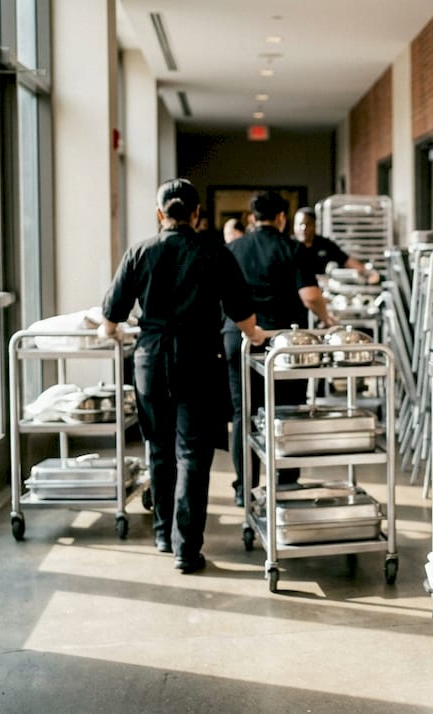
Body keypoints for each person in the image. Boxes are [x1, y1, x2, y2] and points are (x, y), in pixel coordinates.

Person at [100, 178, 266, 574]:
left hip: (151, 359)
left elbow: (110, 320)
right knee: (193, 452)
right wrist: (255, 334)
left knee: (158, 447)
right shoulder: (215, 253)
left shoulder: (139, 252)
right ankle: (186, 549)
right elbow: (245, 317)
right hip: (198, 358)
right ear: (196, 215)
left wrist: (126, 330)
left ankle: (162, 533)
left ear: (160, 214)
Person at [223, 191, 328, 505]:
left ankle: (245, 488)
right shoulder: (292, 249)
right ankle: (285, 484)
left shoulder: (233, 249)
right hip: (285, 345)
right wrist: (327, 318)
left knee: (245, 414)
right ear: (282, 218)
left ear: (253, 218)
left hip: (239, 340)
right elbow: (310, 295)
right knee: (287, 413)